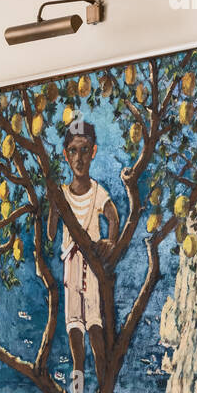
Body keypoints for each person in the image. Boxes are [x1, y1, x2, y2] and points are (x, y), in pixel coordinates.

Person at [47, 121, 119, 377]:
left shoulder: (98, 191)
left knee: (96, 333)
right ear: (66, 155)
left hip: (92, 267)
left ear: (94, 151)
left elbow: (113, 217)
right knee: (75, 340)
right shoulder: (62, 194)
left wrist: (110, 242)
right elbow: (50, 233)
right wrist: (53, 208)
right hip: (71, 270)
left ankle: (103, 392)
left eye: (85, 150)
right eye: (74, 151)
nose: (79, 158)